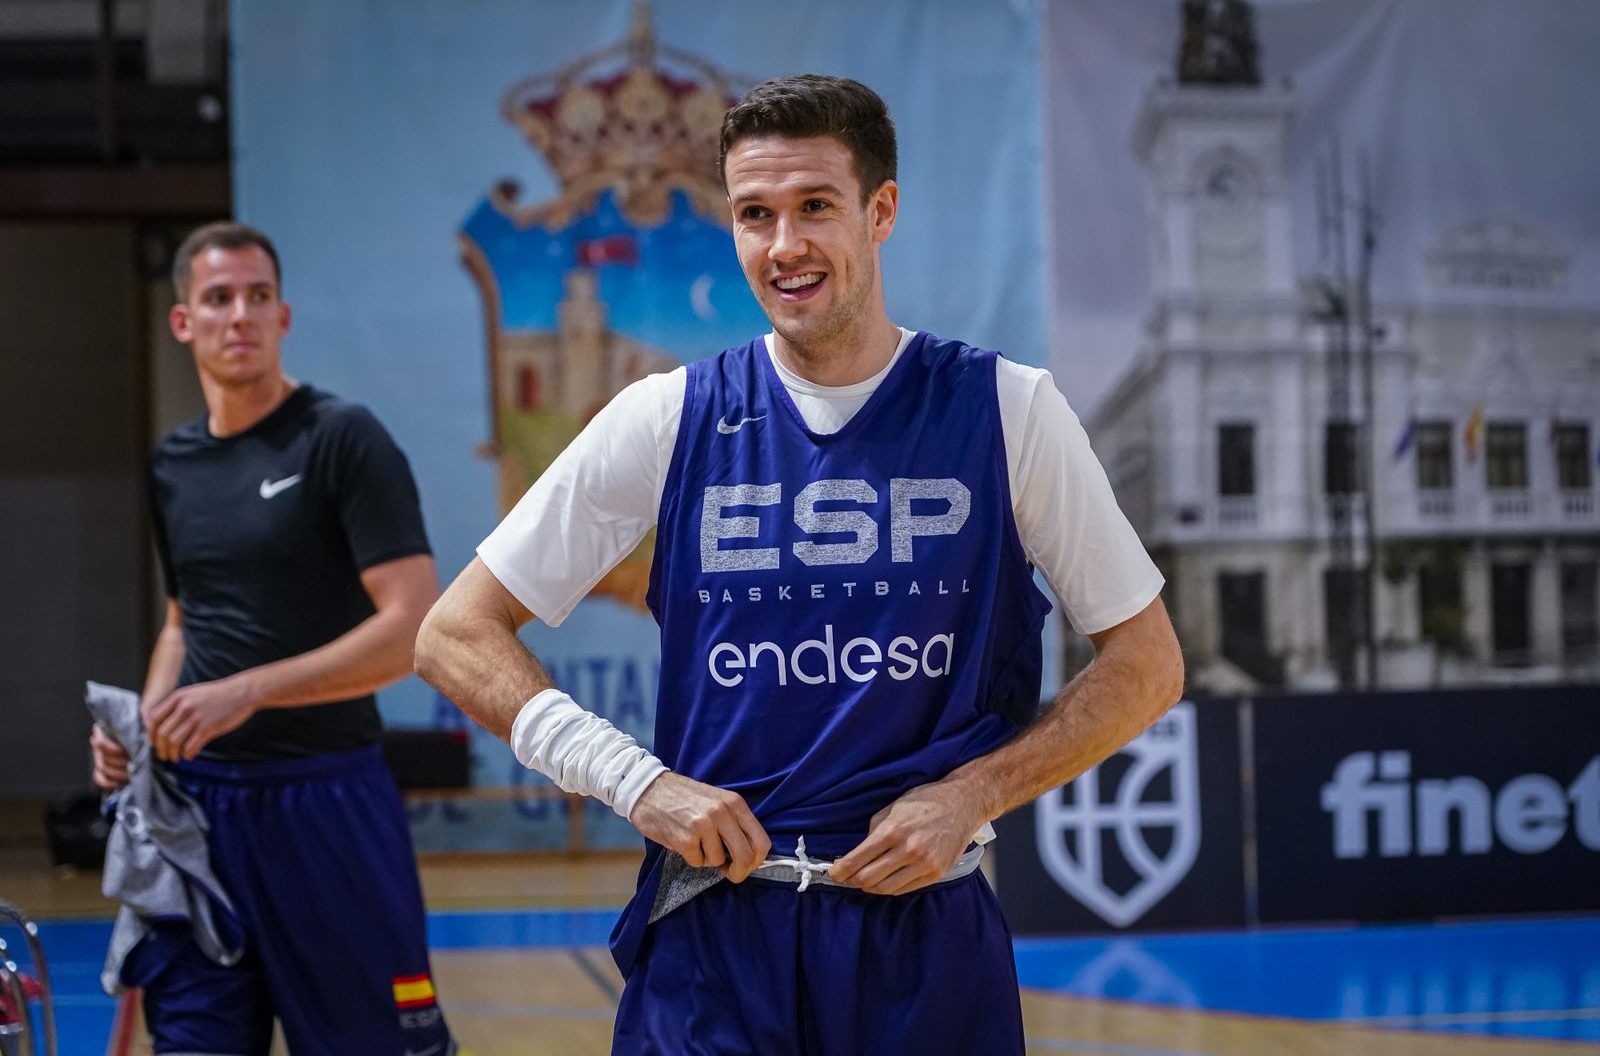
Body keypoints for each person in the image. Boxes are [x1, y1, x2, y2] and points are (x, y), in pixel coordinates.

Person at [414, 74, 1184, 1054]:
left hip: (923, 937)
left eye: (814, 207)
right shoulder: (669, 415)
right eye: (753, 215)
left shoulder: (1007, 409)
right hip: (717, 935)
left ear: (881, 211)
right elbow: (452, 634)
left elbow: (1147, 663)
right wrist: (635, 781)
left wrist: (973, 794)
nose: (783, 247)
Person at [89, 222, 456, 1056]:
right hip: (198, 817)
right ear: (184, 321)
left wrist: (249, 689)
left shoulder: (341, 438)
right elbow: (185, 621)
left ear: (283, 317)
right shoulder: (171, 466)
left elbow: (412, 630)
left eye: (258, 297)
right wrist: (143, 731)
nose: (240, 315)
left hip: (327, 805)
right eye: (218, 299)